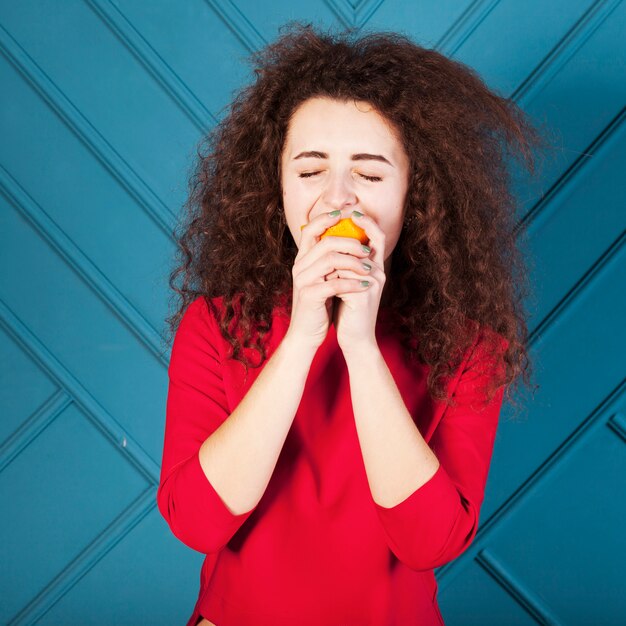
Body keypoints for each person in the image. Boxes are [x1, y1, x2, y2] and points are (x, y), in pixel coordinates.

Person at [156, 21, 546, 626]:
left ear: (415, 191)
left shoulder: (472, 348)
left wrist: (359, 347)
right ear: (276, 185)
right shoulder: (215, 326)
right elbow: (197, 521)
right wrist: (303, 338)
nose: (338, 200)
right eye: (311, 170)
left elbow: (429, 544)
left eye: (368, 173)